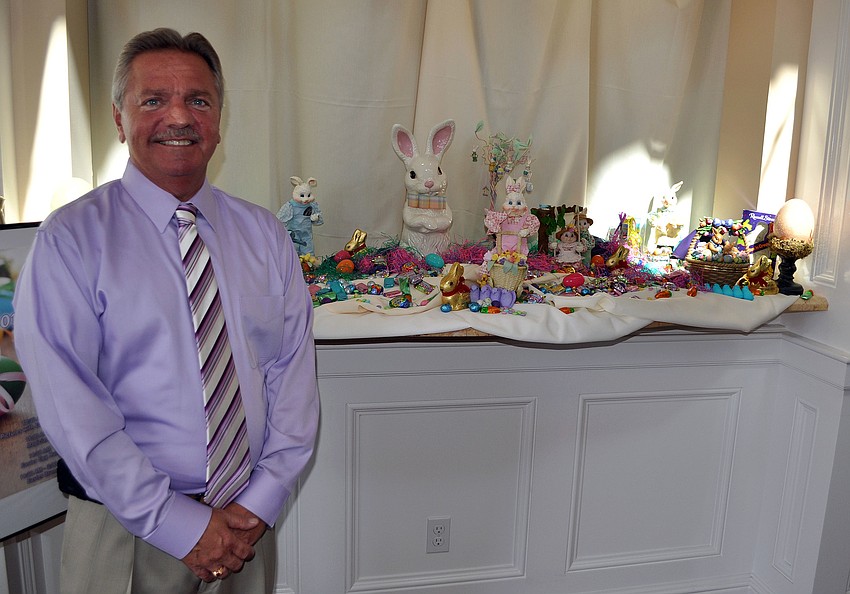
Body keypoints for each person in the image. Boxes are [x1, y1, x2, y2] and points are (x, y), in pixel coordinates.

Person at [13, 28, 320, 593]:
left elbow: (291, 376)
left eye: (197, 100)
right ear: (118, 118)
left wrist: (261, 501)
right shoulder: (72, 240)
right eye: (153, 100)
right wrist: (179, 524)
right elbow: (72, 404)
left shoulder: (265, 235)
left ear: (219, 118)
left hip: (246, 527)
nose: (178, 117)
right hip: (124, 530)